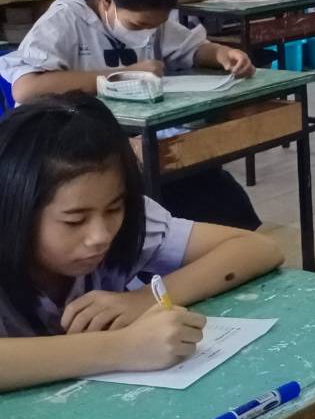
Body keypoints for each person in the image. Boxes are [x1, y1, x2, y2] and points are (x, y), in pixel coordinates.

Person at [0, 96, 283, 391]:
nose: (101, 236)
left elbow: (259, 249)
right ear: (15, 210)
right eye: (75, 220)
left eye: (114, 209)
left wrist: (142, 300)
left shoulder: (129, 220)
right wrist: (122, 347)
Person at [0, 0, 260, 230]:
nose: (147, 34)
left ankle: (229, 237)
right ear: (108, 2)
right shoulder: (65, 19)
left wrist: (222, 54)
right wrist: (123, 74)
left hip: (129, 130)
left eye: (155, 26)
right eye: (138, 26)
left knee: (206, 180)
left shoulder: (150, 18)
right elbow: (27, 88)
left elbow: (190, 48)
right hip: (66, 141)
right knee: (149, 179)